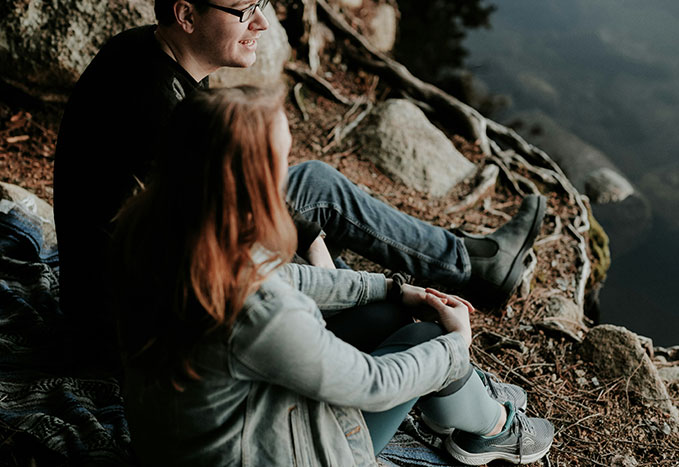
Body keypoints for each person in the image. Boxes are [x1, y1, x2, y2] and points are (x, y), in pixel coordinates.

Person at [54, 0, 545, 363]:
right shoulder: (154, 104)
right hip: (128, 326)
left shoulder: (150, 54)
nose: (262, 24)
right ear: (186, 15)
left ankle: (472, 264)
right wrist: (318, 257)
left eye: (260, 5)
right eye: (244, 11)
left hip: (145, 278)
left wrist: (310, 239)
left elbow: (228, 197)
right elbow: (223, 238)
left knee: (312, 188)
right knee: (316, 210)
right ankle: (459, 278)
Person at [111, 86, 554, 466]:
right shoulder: (255, 311)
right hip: (258, 451)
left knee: (388, 313)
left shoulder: (165, 233)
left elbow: (287, 278)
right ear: (248, 185)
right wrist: (456, 345)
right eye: (280, 165)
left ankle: (457, 406)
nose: (288, 176)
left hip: (196, 441)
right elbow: (371, 384)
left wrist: (393, 289)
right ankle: (495, 428)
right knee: (426, 343)